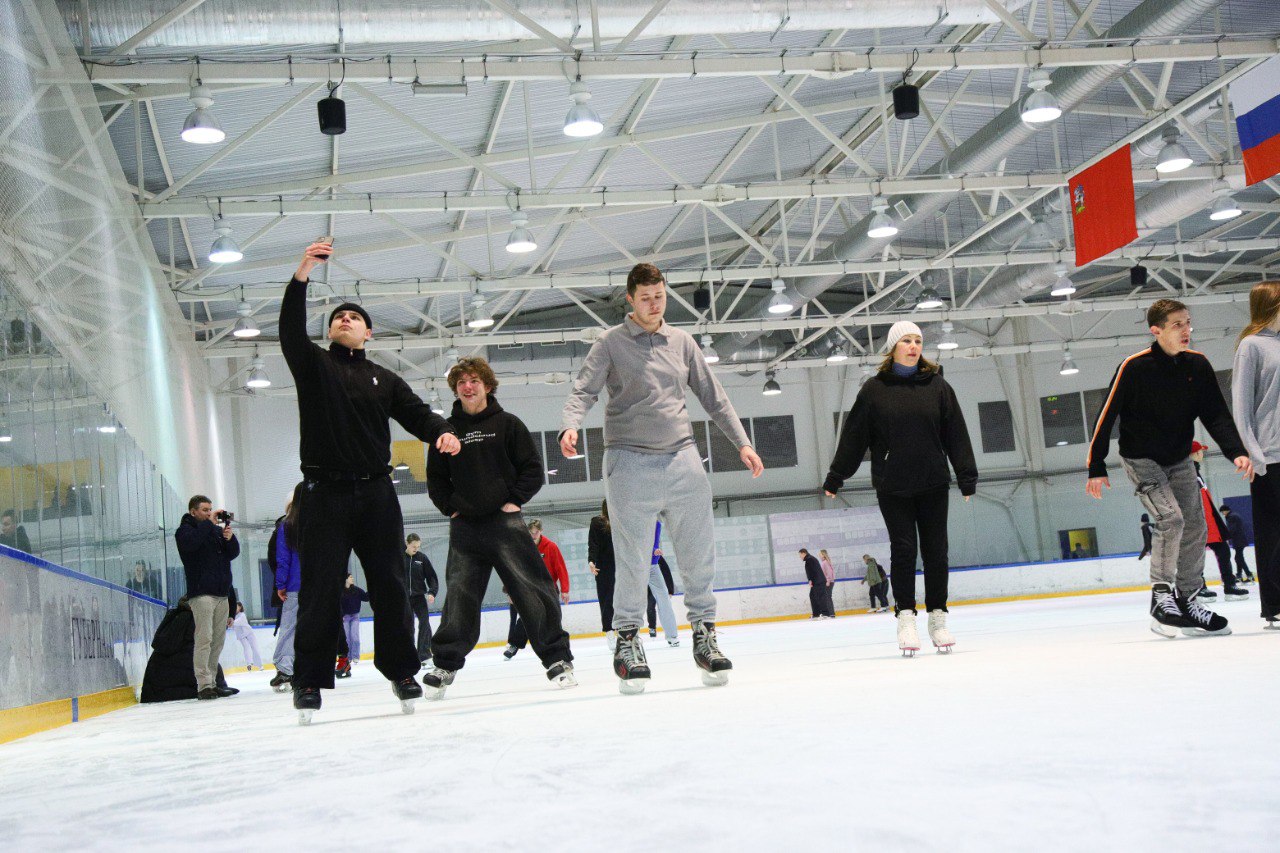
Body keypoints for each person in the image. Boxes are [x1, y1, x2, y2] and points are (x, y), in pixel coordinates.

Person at [560, 262, 764, 694]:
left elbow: (714, 397)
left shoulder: (682, 342)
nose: (655, 305)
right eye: (647, 298)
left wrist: (742, 443)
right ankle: (629, 640)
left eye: (661, 297)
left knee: (697, 552)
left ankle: (705, 634)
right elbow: (583, 389)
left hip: (683, 457)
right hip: (629, 462)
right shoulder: (611, 344)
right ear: (631, 299)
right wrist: (570, 424)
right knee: (632, 559)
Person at [281, 239, 461, 722]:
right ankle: (308, 681)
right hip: (324, 493)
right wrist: (302, 274)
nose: (344, 319)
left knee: (389, 585)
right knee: (319, 589)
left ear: (368, 333)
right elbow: (290, 333)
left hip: (378, 495)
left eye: (354, 317)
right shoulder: (313, 366)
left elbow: (418, 414)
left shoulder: (384, 379)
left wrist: (442, 432)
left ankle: (402, 672)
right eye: (338, 315)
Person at [1086, 298, 1253, 639]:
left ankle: (1189, 600)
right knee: (1170, 519)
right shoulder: (1134, 367)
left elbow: (1216, 414)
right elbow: (1106, 416)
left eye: (1188, 322)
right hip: (1141, 458)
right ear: (1156, 330)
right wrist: (1095, 465)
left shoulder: (1198, 365)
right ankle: (1162, 596)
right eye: (1177, 324)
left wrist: (1235, 450)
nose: (1186, 330)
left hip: (1178, 458)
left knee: (1195, 526)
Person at [424, 357, 575, 698]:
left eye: (475, 380)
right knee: (460, 596)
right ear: (455, 389)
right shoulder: (446, 431)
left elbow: (532, 469)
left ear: (487, 385)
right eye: (461, 381)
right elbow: (436, 479)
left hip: (505, 522)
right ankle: (445, 664)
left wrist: (514, 500)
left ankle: (557, 659)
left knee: (533, 590)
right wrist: (451, 508)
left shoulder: (509, 424)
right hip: (465, 527)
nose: (468, 385)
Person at [824, 321, 977, 656]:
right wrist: (837, 476)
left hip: (934, 482)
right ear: (893, 347)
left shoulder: (938, 386)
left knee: (937, 550)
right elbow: (854, 437)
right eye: (906, 340)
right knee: (904, 549)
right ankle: (905, 616)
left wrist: (966, 475)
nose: (913, 346)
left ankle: (938, 617)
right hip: (893, 486)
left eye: (918, 340)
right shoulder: (874, 390)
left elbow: (957, 433)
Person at [1231, 280, 1280, 628]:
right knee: (1272, 533)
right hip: (1271, 455)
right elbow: (1241, 406)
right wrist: (1254, 453)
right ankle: (1275, 604)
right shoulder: (1251, 346)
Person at [173, 495, 240, 700]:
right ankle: (203, 685)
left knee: (217, 641)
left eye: (210, 510)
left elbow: (232, 554)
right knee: (204, 639)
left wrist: (230, 538)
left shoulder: (213, 532)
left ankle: (212, 682)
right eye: (204, 510)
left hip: (220, 594)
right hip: (202, 594)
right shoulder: (185, 532)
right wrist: (210, 526)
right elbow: (191, 545)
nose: (209, 513)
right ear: (193, 511)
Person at [1190, 442, 1249, 602]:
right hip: (1198, 524)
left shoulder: (1197, 473)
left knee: (1223, 551)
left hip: (1211, 522)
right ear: (1194, 454)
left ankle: (1229, 586)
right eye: (1201, 451)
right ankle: (1199, 588)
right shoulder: (1187, 474)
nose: (1202, 454)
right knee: (1196, 557)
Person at [504, 519, 571, 660]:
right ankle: (514, 644)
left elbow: (561, 569)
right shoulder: (523, 548)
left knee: (554, 619)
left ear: (541, 531)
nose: (534, 535)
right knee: (527, 617)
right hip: (530, 589)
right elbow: (515, 571)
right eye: (531, 533)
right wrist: (510, 591)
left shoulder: (551, 547)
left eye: (536, 532)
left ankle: (560, 649)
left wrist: (565, 590)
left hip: (549, 589)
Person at [269, 485, 303, 693]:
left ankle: (284, 668)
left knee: (289, 627)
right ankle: (305, 666)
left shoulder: (287, 525)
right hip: (314, 587)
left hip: (294, 586)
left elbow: (283, 559)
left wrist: (280, 585)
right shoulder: (317, 524)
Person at [404, 533, 438, 664]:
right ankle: (409, 655)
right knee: (408, 627)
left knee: (424, 623)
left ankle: (424, 655)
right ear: (407, 543)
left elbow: (432, 578)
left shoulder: (422, 558)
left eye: (418, 546)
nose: (416, 549)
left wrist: (432, 592)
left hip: (419, 598)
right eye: (413, 546)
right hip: (405, 599)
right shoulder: (400, 558)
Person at [588, 500, 617, 647]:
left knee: (621, 599)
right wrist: (591, 561)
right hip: (604, 567)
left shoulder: (621, 520)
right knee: (606, 600)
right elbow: (593, 544)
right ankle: (610, 632)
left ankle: (626, 630)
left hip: (621, 565)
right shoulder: (597, 523)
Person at [646, 546, 680, 646]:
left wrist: (670, 590)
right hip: (643, 585)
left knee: (664, 603)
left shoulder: (657, 557)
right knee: (649, 608)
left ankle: (672, 636)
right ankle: (631, 633)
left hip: (654, 575)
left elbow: (666, 572)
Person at [339, 574, 368, 666]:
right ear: (345, 579)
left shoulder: (356, 590)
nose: (352, 578)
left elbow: (366, 597)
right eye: (350, 577)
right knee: (346, 638)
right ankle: (347, 657)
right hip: (345, 617)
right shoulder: (340, 591)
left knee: (355, 637)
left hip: (355, 616)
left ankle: (355, 656)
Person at [1219, 505, 1254, 583]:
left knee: (1239, 558)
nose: (1223, 514)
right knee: (1238, 558)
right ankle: (1239, 576)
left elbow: (1232, 529)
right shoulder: (1234, 515)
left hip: (1238, 540)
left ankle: (1249, 575)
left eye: (1222, 512)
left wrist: (1225, 537)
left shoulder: (1231, 517)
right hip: (1239, 540)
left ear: (1225, 510)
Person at [799, 549, 831, 619]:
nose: (800, 557)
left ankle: (825, 614)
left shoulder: (809, 559)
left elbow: (811, 571)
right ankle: (816, 613)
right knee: (813, 596)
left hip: (818, 581)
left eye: (800, 555)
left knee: (821, 597)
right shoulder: (810, 559)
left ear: (803, 553)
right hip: (817, 581)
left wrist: (810, 580)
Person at [230, 602, 262, 671]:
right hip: (241, 635)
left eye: (237, 607)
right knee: (246, 648)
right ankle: (249, 664)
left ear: (240, 607)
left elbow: (236, 622)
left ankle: (259, 665)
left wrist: (230, 623)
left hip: (248, 633)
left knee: (255, 648)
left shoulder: (242, 615)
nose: (235, 608)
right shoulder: (232, 616)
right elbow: (232, 626)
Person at [818, 548, 838, 617]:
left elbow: (829, 572)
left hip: (828, 582)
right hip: (829, 581)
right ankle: (830, 613)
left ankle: (831, 613)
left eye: (820, 554)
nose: (819, 555)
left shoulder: (825, 562)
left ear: (823, 555)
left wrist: (828, 581)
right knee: (827, 597)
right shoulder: (826, 562)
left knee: (827, 597)